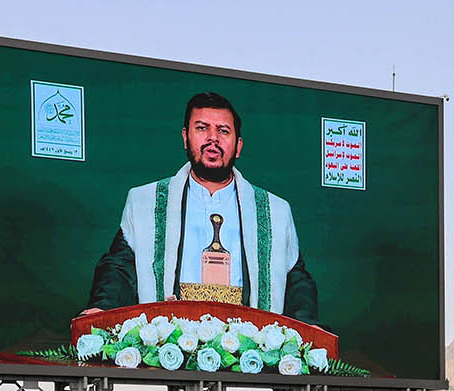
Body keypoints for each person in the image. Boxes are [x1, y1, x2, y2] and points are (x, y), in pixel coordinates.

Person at [83, 92, 317, 323]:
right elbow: (120, 268)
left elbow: (295, 279)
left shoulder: (275, 210)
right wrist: (102, 306)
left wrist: (307, 326)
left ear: (238, 146)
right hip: (170, 341)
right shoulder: (145, 201)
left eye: (223, 131)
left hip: (249, 345)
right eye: (202, 128)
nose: (212, 138)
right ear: (186, 137)